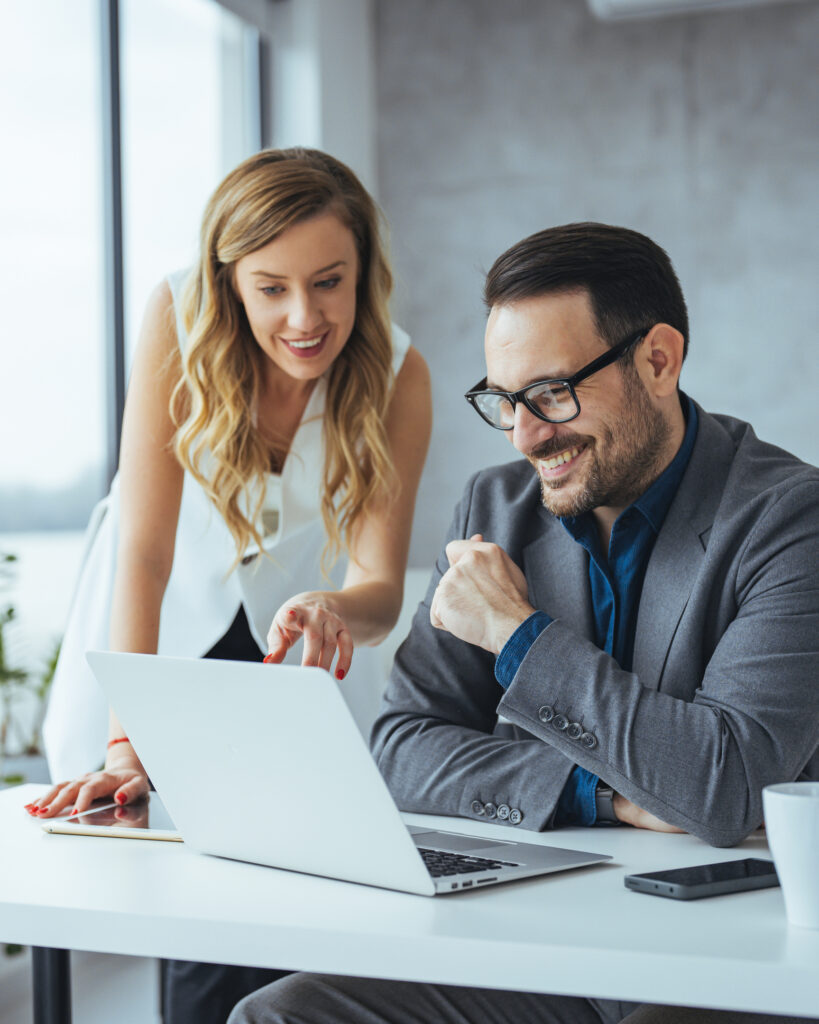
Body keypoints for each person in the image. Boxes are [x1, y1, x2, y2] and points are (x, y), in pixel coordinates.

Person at [227, 222, 819, 1024]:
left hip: (725, 956)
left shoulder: (788, 519)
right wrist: (597, 793)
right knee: (285, 1014)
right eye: (502, 401)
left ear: (658, 359)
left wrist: (517, 633)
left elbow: (724, 787)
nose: (525, 434)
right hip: (542, 944)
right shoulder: (495, 508)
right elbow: (401, 746)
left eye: (550, 393)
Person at [28, 147, 431, 1023]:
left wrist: (335, 606)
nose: (304, 316)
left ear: (364, 269)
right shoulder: (176, 318)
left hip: (289, 645)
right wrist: (125, 743)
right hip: (152, 630)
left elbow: (380, 590)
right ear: (229, 280)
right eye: (271, 287)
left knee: (281, 902)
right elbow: (146, 552)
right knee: (175, 902)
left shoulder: (399, 374)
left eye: (330, 281)